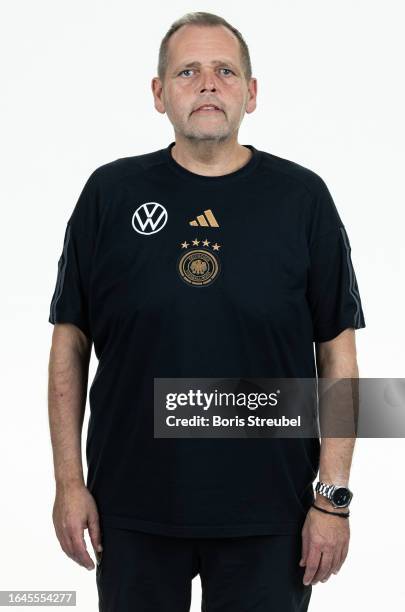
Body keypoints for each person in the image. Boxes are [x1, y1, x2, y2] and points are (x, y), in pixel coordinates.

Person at [47, 11, 366, 612]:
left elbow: (339, 356)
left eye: (225, 71)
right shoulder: (109, 196)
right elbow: (69, 344)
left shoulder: (303, 200)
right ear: (159, 92)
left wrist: (332, 499)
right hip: (132, 509)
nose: (208, 84)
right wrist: (69, 484)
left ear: (251, 92)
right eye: (188, 71)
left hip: (273, 515)